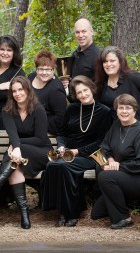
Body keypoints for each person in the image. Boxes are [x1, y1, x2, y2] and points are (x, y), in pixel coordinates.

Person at [0, 76, 52, 229]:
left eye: (21, 89)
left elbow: (40, 139)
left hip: (41, 152)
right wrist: (16, 146)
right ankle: (24, 215)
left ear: (27, 90)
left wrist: (18, 146)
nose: (17, 93)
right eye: (14, 91)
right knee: (14, 165)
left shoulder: (38, 109)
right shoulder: (8, 111)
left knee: (13, 153)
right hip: (18, 155)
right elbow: (12, 135)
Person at [41, 75, 113, 227]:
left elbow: (101, 142)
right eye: (79, 93)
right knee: (53, 166)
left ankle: (70, 212)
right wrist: (61, 146)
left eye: (85, 90)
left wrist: (77, 151)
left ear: (92, 89)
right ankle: (64, 211)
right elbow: (62, 133)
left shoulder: (104, 111)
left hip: (92, 154)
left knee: (64, 166)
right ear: (75, 95)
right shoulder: (71, 108)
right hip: (68, 152)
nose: (83, 95)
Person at [91, 94, 140, 229]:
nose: (124, 111)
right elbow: (103, 148)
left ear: (134, 110)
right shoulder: (116, 125)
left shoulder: (138, 130)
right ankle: (115, 199)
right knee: (96, 214)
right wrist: (111, 160)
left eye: (128, 108)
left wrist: (118, 166)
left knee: (106, 176)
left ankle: (124, 217)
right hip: (120, 176)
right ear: (116, 110)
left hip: (135, 176)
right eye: (121, 108)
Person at [95, 46, 140, 120]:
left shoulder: (133, 77)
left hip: (135, 128)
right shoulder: (100, 83)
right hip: (113, 129)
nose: (108, 64)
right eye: (105, 61)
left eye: (112, 61)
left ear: (120, 62)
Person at [28, 50, 67, 135]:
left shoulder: (56, 89)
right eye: (41, 69)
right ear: (36, 69)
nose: (44, 73)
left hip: (45, 131)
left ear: (53, 69)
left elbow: (60, 120)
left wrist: (36, 123)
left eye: (48, 69)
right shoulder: (31, 77)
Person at [61, 18, 100, 91]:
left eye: (84, 31)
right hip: (74, 100)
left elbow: (99, 86)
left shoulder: (98, 56)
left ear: (91, 32)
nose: (80, 35)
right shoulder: (75, 54)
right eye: (77, 32)